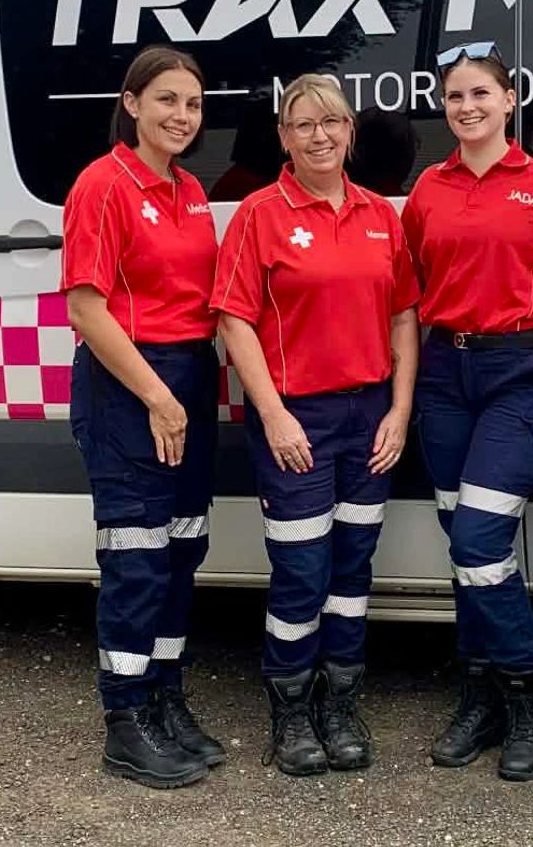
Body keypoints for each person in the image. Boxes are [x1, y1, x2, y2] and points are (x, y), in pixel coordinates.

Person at [211, 74, 420, 777]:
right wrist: (271, 415)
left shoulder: (380, 216)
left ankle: (340, 703)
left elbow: (402, 316)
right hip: (296, 417)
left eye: (331, 122)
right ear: (283, 137)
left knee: (353, 568)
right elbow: (234, 320)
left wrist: (399, 409)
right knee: (301, 571)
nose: (319, 135)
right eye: (303, 125)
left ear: (351, 132)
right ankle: (292, 709)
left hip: (369, 416)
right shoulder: (258, 214)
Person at [401, 41, 533, 782]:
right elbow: (408, 294)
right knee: (464, 545)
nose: (467, 108)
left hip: (519, 370)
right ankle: (480, 695)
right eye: (454, 98)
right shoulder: (427, 190)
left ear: (510, 101)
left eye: (480, 95)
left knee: (478, 541)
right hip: (446, 371)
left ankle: (532, 690)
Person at [61, 46, 225, 789]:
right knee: (135, 556)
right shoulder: (103, 184)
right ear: (131, 104)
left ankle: (165, 696)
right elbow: (86, 309)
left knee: (182, 549)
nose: (181, 116)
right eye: (166, 100)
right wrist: (157, 396)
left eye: (192, 104)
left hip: (188, 375)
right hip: (131, 386)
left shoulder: (190, 188)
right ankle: (125, 721)